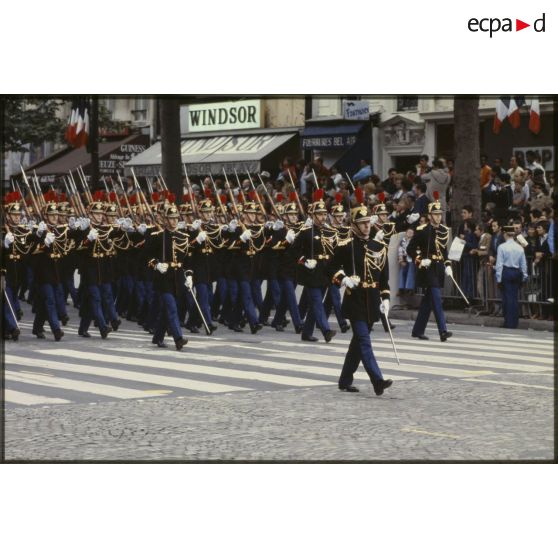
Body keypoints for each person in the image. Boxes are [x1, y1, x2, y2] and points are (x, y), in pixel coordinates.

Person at [329, 201, 393, 396]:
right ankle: (377, 380)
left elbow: (383, 278)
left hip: (372, 301)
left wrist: (386, 299)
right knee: (364, 341)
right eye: (362, 223)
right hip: (355, 300)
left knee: (358, 343)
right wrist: (344, 279)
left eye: (368, 222)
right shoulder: (346, 245)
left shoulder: (379, 246)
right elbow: (330, 268)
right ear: (354, 225)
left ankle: (345, 379)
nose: (367, 226)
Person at [406, 199, 454, 342]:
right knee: (437, 299)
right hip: (427, 267)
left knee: (428, 302)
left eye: (440, 214)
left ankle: (417, 330)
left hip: (438, 268)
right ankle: (443, 331)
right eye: (435, 214)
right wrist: (420, 259)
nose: (438, 216)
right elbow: (410, 249)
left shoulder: (444, 230)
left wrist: (448, 265)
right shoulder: (422, 230)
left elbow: (444, 251)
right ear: (429, 215)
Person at [495, 225, 528, 328]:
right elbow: (523, 264)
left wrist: (498, 279)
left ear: (505, 234)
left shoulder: (502, 247)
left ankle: (508, 322)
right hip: (516, 272)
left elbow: (499, 264)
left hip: (506, 272)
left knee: (506, 299)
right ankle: (514, 322)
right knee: (514, 298)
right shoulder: (519, 248)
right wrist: (524, 276)